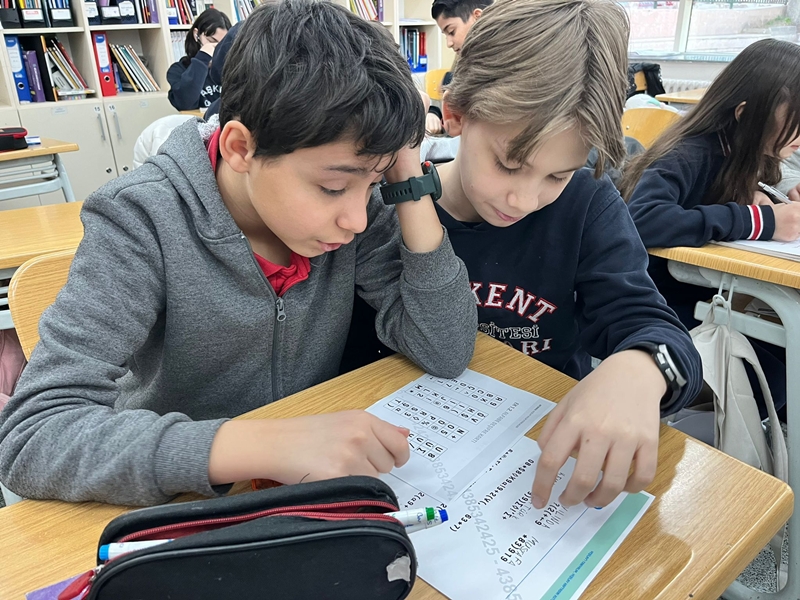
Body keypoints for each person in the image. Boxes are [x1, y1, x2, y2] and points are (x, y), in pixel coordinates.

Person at [0, 0, 477, 506]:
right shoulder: (141, 218)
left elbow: (444, 348)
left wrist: (405, 181)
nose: (357, 219)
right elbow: (32, 435)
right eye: (333, 187)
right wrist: (256, 446)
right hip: (174, 496)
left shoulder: (354, 210)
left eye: (375, 182)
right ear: (240, 148)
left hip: (298, 484)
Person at [430, 0, 702, 510]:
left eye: (557, 174)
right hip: (419, 447)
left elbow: (656, 329)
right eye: (509, 165)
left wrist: (641, 369)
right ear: (456, 114)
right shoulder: (393, 207)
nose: (524, 200)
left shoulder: (587, 202)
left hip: (536, 453)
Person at [622, 39, 800, 417]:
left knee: (786, 361)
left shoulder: (744, 151)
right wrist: (761, 222)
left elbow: (739, 195)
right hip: (661, 303)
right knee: (775, 377)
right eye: (796, 122)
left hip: (712, 293)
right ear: (745, 115)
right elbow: (641, 218)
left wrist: (781, 195)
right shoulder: (691, 152)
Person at [425, 0, 492, 135]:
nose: (449, 43)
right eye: (445, 35)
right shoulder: (462, 60)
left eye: (451, 32)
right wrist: (433, 113)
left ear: (478, 17)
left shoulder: (505, 62)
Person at [167, 8, 231, 111]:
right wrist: (203, 57)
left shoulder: (230, 69)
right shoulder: (178, 70)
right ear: (196, 34)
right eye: (211, 40)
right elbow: (185, 104)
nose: (217, 47)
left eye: (222, 44)